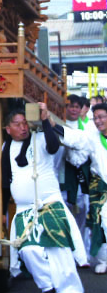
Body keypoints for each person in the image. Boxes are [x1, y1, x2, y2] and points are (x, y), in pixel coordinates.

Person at [2, 104, 84, 293]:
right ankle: (48, 286)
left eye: (25, 123)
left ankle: (70, 290)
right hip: (24, 210)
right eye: (17, 124)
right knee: (28, 250)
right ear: (8, 129)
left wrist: (45, 119)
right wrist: (2, 211)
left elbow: (54, 147)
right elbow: (6, 181)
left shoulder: (39, 138)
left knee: (58, 250)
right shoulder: (6, 147)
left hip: (49, 203)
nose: (23, 127)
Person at [62, 102, 107, 274]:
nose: (98, 121)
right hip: (101, 188)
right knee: (101, 222)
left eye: (101, 117)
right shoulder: (91, 136)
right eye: (95, 118)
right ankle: (103, 259)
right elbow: (76, 140)